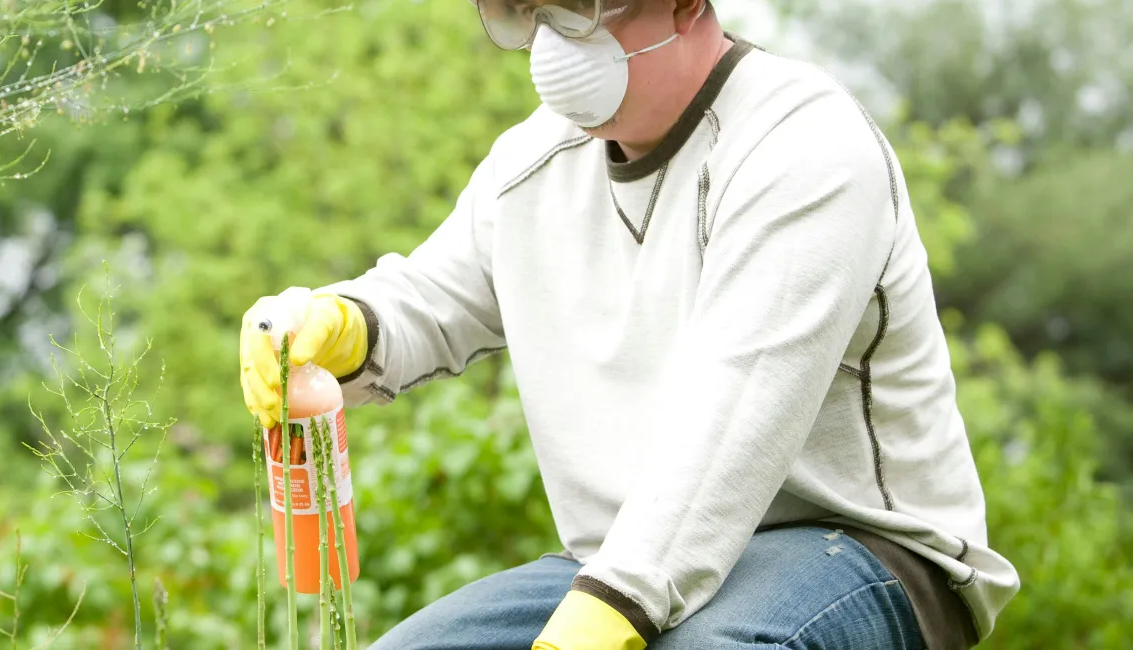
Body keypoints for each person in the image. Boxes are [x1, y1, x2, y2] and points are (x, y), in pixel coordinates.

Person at [237, 0, 1020, 647]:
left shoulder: (804, 149)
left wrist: (609, 612)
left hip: (858, 550)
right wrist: (342, 324)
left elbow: (734, 425)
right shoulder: (529, 166)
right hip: (628, 559)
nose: (550, 43)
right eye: (529, 13)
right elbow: (434, 299)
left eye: (581, 12)